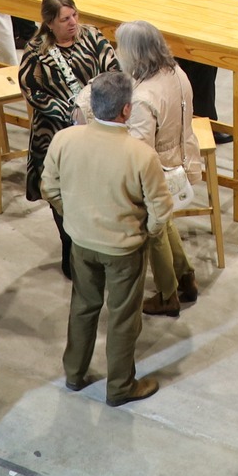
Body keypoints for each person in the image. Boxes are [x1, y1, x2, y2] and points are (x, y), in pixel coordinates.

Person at [40, 69, 170, 407]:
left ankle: (74, 373)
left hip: (81, 242)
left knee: (83, 307)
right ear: (126, 109)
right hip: (124, 248)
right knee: (123, 317)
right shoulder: (142, 155)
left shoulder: (64, 140)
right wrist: (148, 232)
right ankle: (120, 386)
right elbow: (161, 211)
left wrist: (73, 216)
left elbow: (49, 188)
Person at [20, 0, 122, 251]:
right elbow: (31, 90)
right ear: (49, 23)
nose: (73, 22)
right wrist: (68, 111)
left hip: (97, 128)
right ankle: (68, 244)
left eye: (74, 15)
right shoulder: (36, 52)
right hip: (56, 133)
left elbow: (113, 71)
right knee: (62, 192)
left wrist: (96, 105)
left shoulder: (92, 36)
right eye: (65, 19)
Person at [116, 21, 204, 317]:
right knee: (165, 222)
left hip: (157, 171)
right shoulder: (176, 72)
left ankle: (168, 295)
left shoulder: (143, 97)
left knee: (153, 230)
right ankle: (185, 276)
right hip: (182, 158)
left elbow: (140, 149)